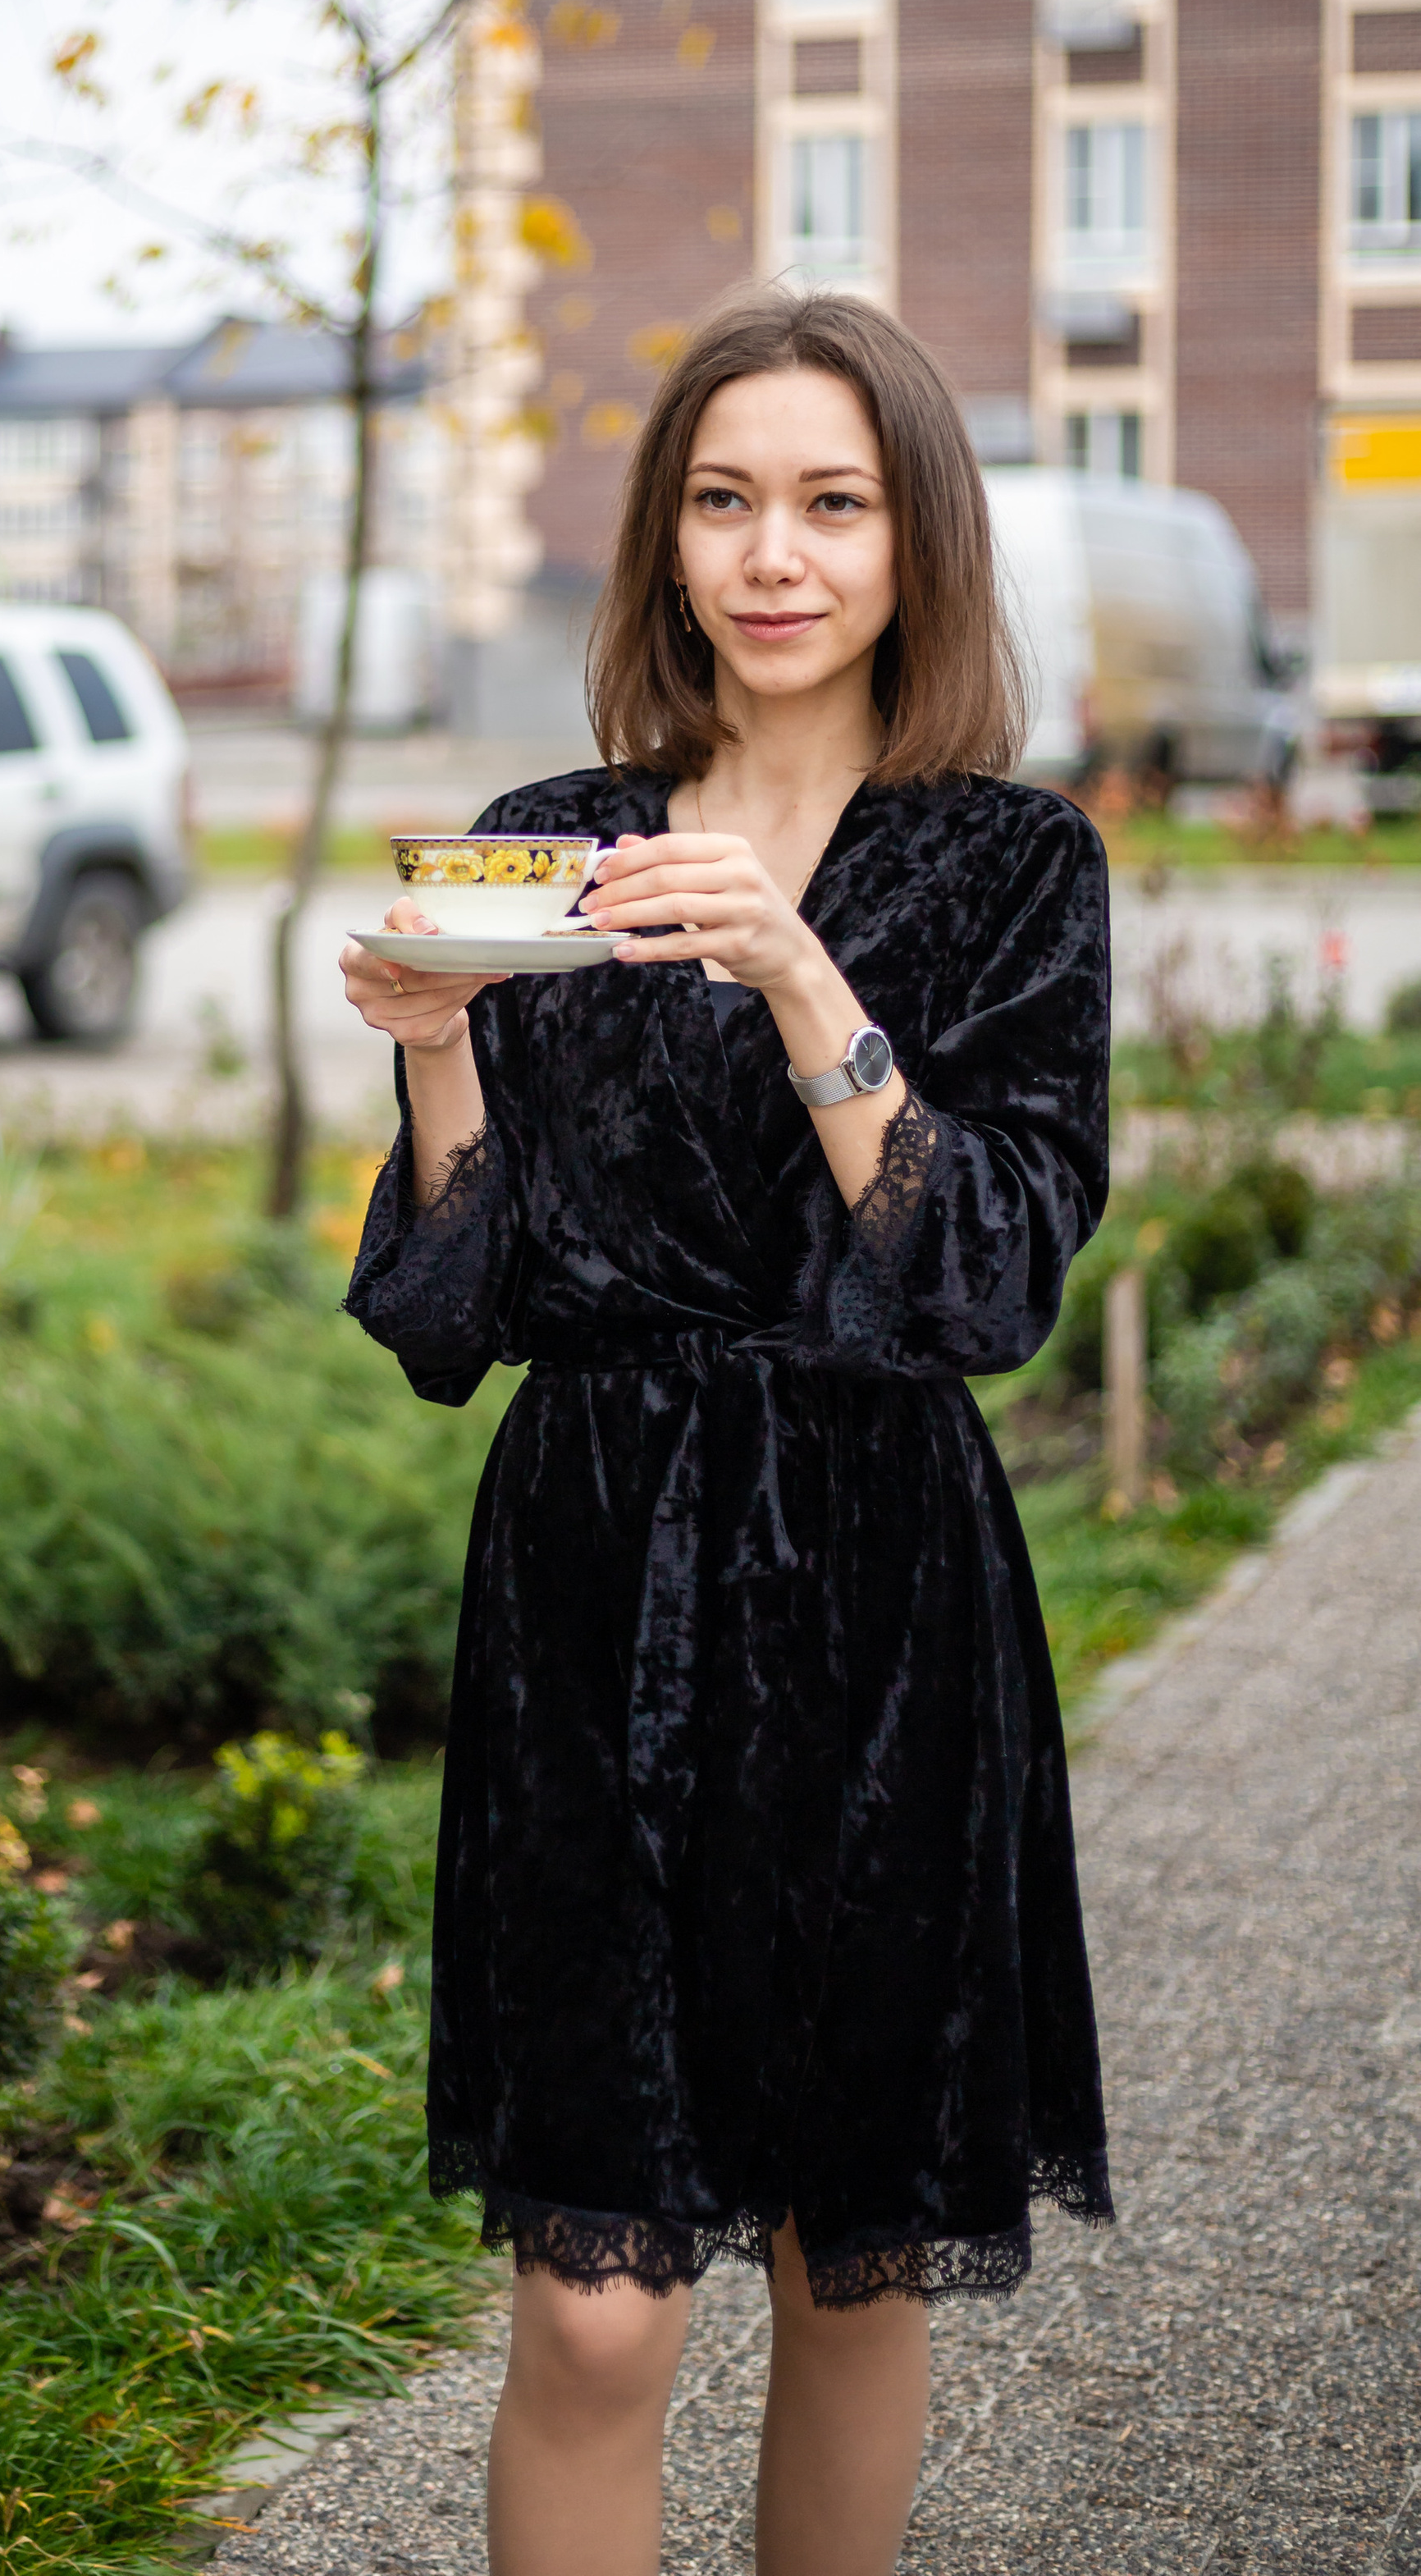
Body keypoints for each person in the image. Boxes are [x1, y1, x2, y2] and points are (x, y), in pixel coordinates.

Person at [338, 285, 1113, 2576]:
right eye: (725, 500)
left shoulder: (1002, 866)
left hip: (879, 1586)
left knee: (847, 2264)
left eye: (833, 504)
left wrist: (798, 974)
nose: (775, 554)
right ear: (667, 540)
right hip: (594, 1579)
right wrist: (439, 1040)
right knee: (592, 2313)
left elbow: (985, 1282)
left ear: (912, 544)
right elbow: (444, 1314)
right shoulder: (552, 842)